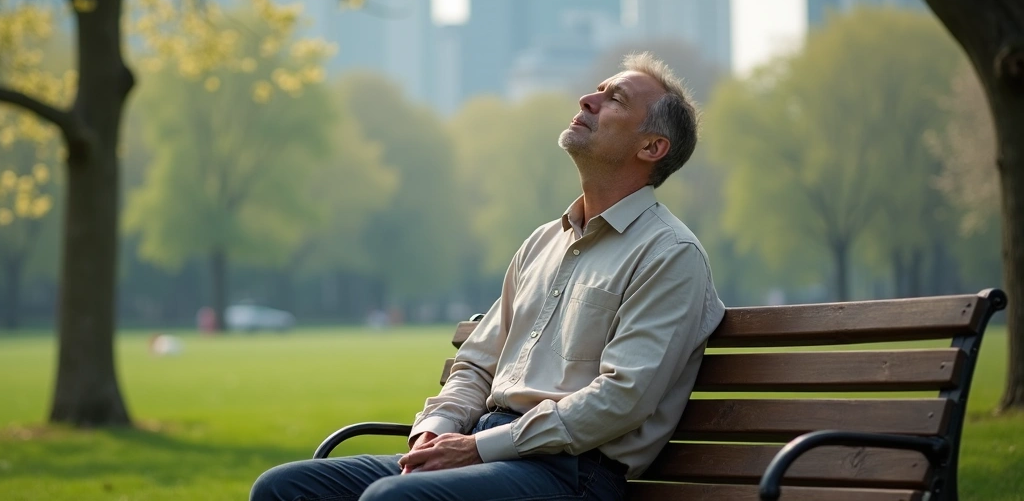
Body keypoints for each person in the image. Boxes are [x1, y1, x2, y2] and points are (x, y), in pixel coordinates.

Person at [251, 52, 726, 501]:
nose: (588, 100)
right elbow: (477, 364)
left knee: (390, 498)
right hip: (484, 450)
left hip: (573, 472)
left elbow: (621, 399)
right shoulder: (543, 243)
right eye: (597, 90)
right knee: (284, 488)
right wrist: (435, 430)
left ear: (652, 146)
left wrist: (479, 449)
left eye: (614, 99)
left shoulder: (670, 254)